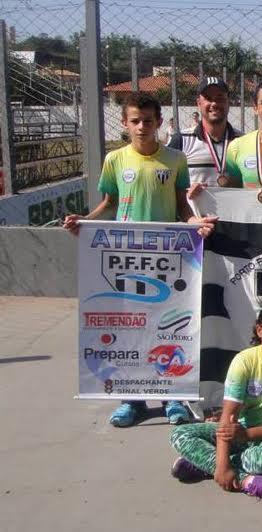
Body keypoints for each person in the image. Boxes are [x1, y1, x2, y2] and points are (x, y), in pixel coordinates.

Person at [63, 92, 216, 427]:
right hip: (126, 259)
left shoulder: (175, 159)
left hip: (166, 258)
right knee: (127, 328)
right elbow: (110, 203)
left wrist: (196, 223)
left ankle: (172, 396)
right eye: (135, 121)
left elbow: (181, 205)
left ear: (159, 122)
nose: (142, 127)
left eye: (148, 121)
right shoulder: (116, 159)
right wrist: (84, 223)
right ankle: (130, 399)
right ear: (125, 123)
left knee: (168, 325)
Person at [169, 303, 262, 502]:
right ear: (260, 330)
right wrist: (222, 465)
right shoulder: (243, 361)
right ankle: (246, 480)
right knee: (180, 434)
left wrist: (247, 435)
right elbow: (229, 417)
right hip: (237, 432)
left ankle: (203, 464)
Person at [168, 77, 242, 187]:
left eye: (220, 98)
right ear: (198, 103)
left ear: (228, 102)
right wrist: (186, 193)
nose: (214, 103)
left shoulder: (243, 141)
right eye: (208, 98)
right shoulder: (181, 140)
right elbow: (165, 185)